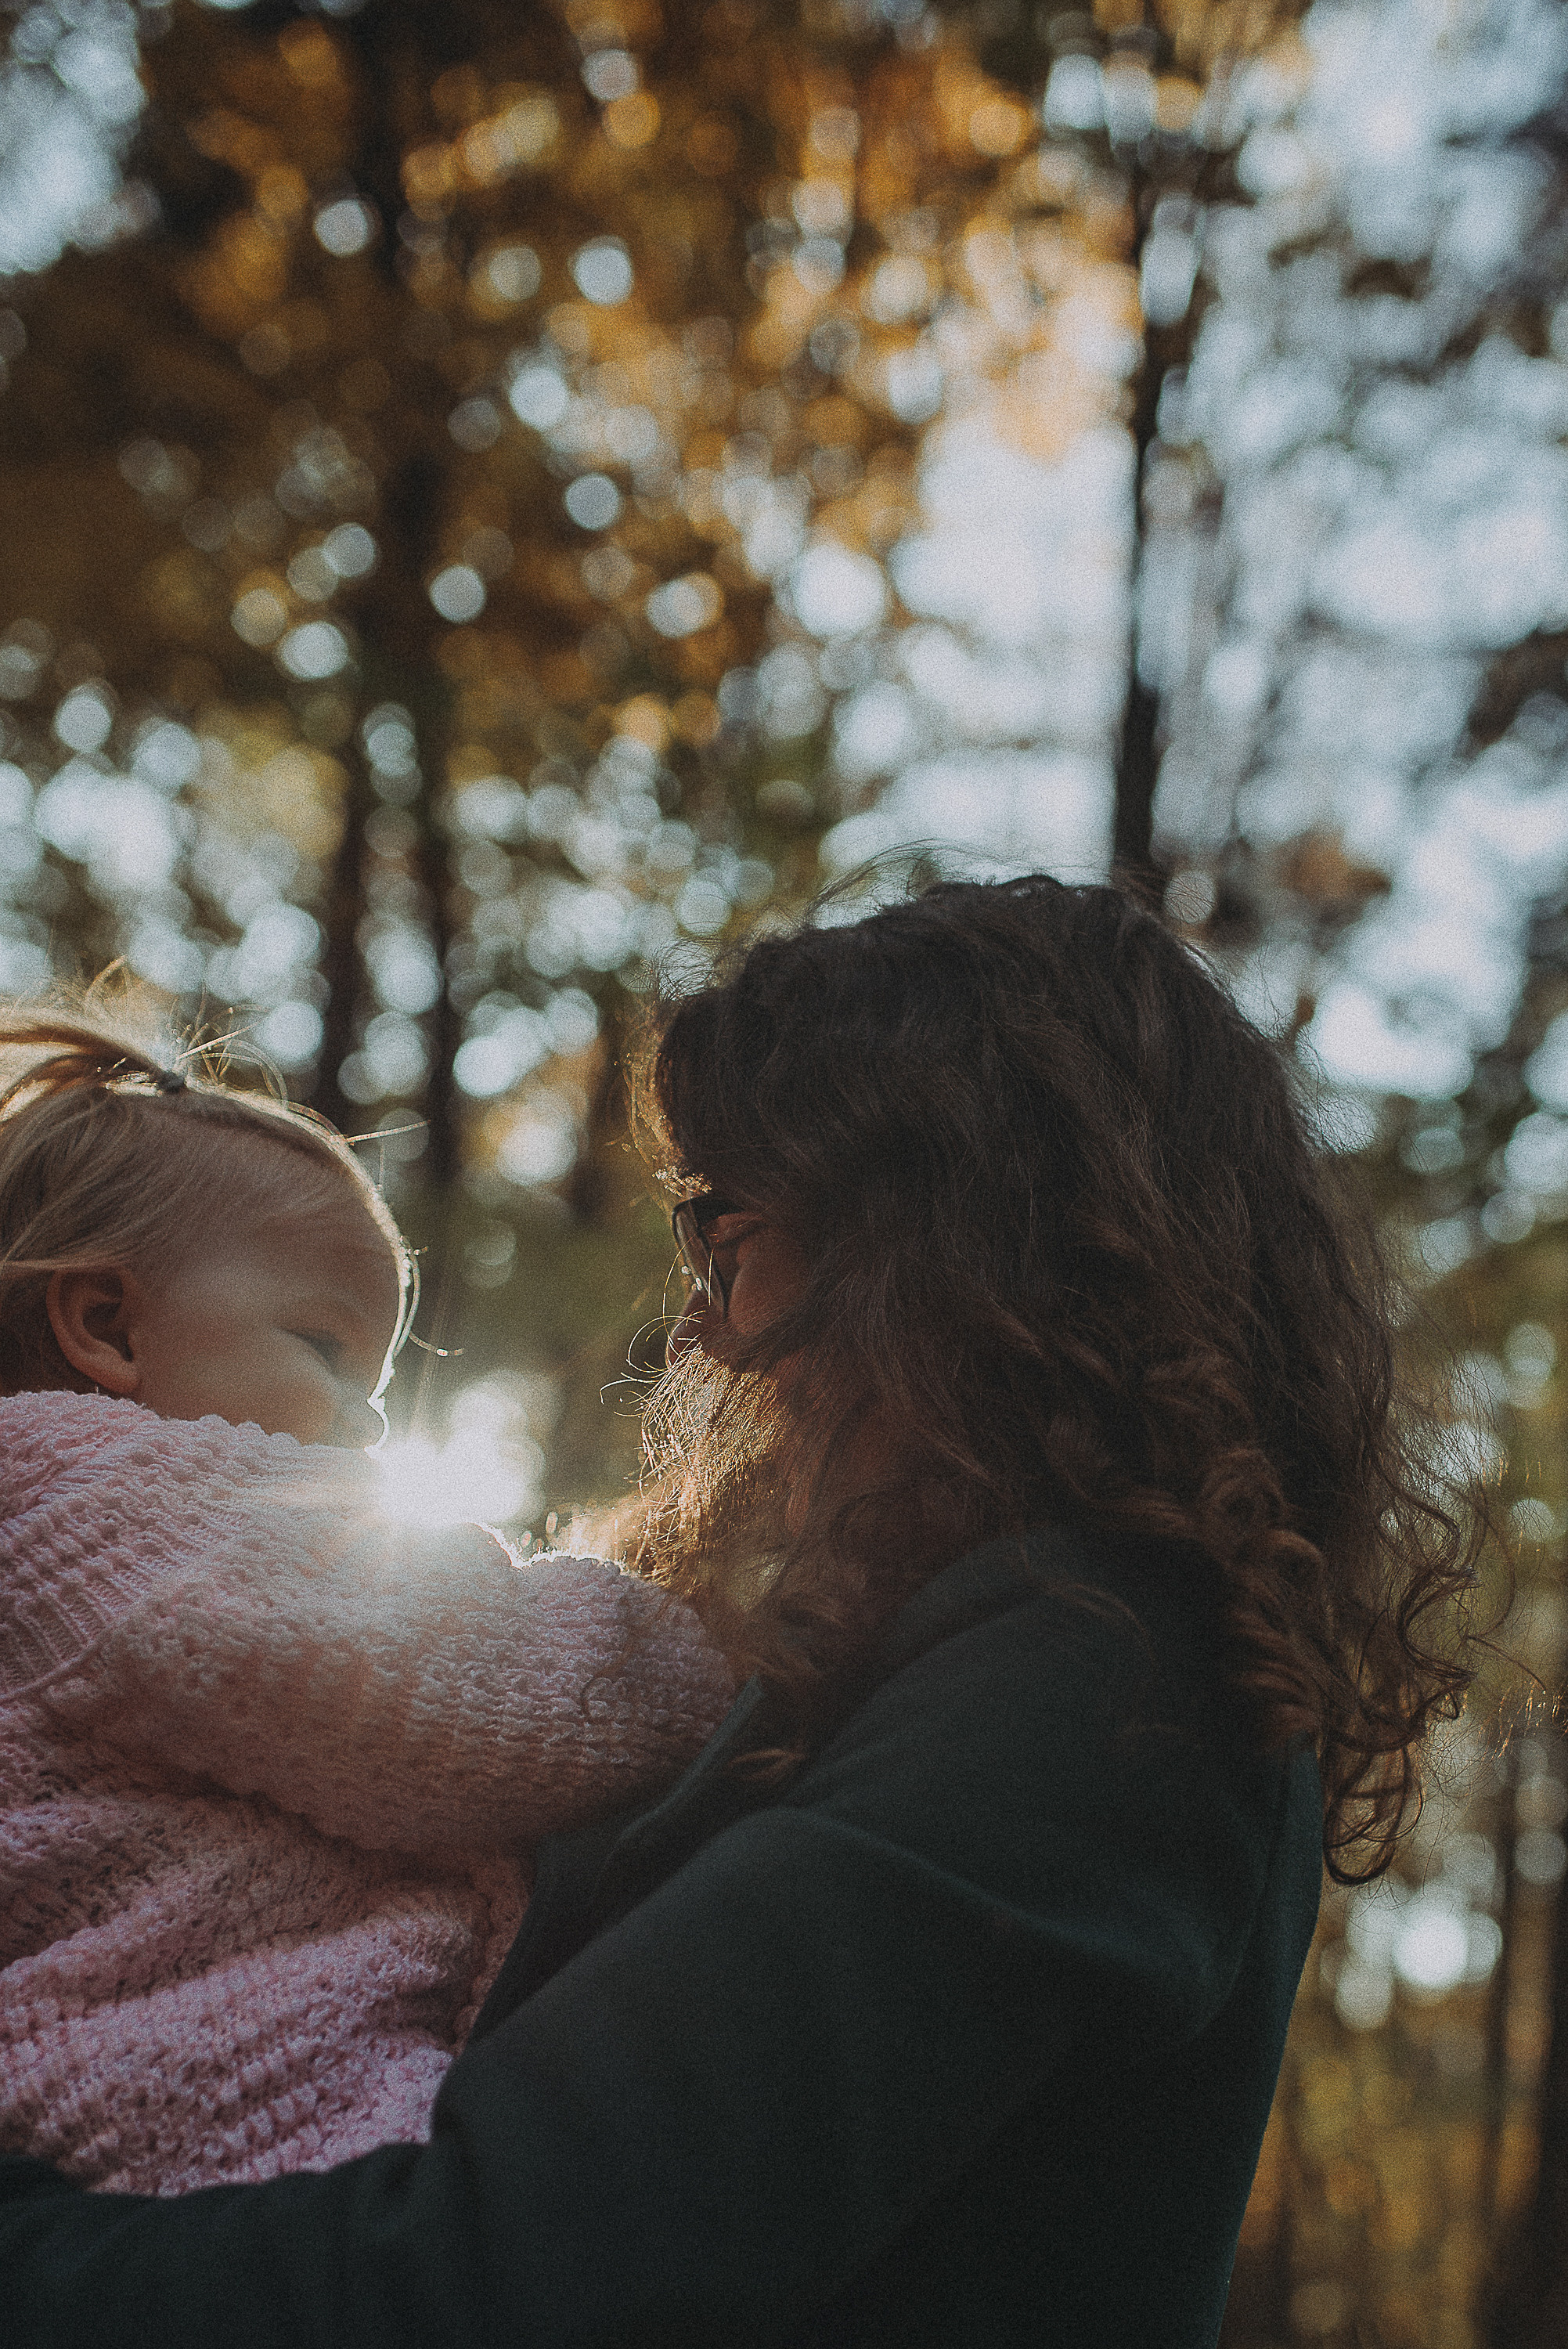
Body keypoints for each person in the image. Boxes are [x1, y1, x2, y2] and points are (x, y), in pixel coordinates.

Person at [0, 879, 1480, 2347]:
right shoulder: (983, 1643)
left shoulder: (1098, 1678)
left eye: (729, 1231)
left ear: (945, 1238)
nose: (700, 1319)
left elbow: (488, 2271)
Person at [0, 1010, 733, 2192]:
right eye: (328, 1349)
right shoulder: (128, 1522)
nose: (371, 1417)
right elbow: (476, 1692)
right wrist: (735, 1639)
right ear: (105, 1325)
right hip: (202, 2088)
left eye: (382, 1376)